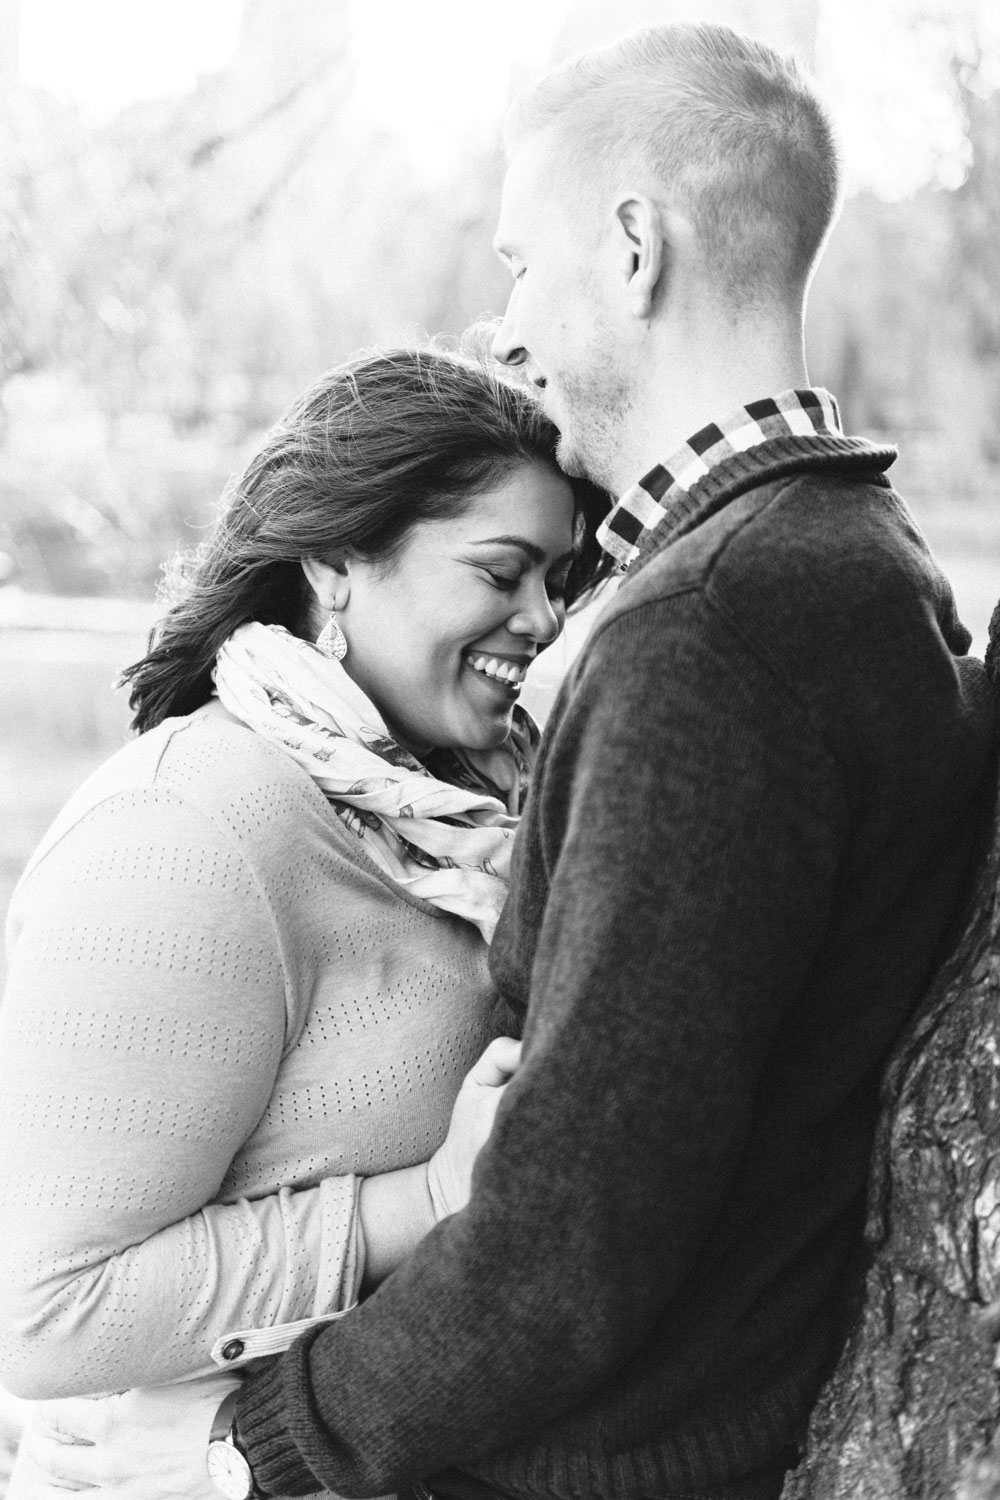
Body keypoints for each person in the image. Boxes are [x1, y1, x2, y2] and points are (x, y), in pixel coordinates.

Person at [17, 21, 999, 1500]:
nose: (505, 320)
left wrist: (259, 1445)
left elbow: (577, 1226)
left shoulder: (709, 632)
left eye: (518, 262)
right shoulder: (867, 569)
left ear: (631, 250)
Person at [0, 346, 608, 1493]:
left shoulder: (470, 811)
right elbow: (48, 1312)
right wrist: (418, 1205)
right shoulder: (186, 831)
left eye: (558, 580)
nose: (542, 621)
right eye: (501, 571)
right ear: (334, 563)